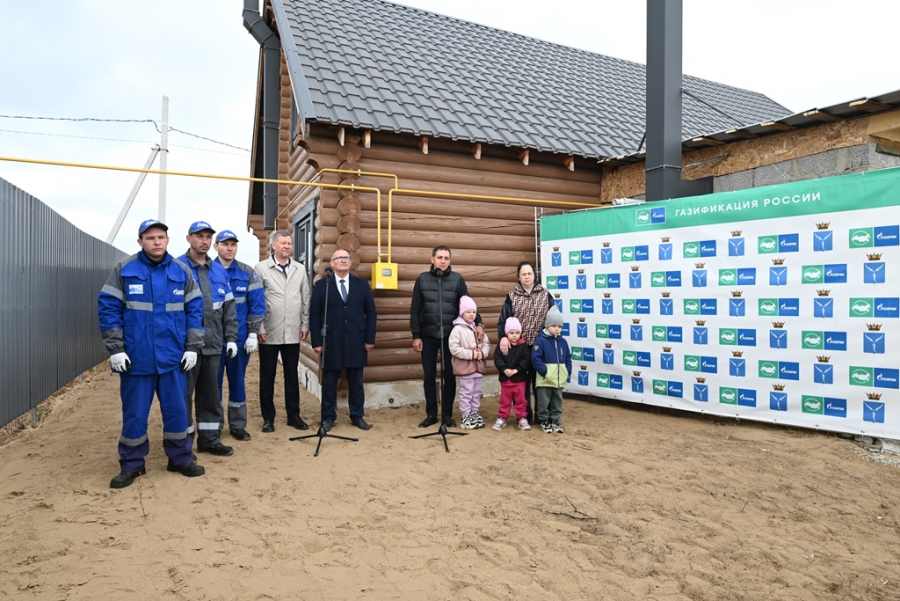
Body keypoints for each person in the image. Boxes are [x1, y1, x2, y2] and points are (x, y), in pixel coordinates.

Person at [98, 219, 206, 488]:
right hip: (137, 359)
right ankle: (132, 465)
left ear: (168, 240)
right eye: (150, 238)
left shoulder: (182, 271)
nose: (156, 242)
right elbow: (108, 309)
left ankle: (180, 459)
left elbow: (195, 311)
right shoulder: (124, 270)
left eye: (161, 237)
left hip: (173, 359)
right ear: (140, 242)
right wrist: (116, 349)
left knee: (177, 412)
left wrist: (192, 347)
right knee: (134, 413)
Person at [179, 221, 239, 457]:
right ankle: (182, 446)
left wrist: (232, 338)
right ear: (189, 239)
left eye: (207, 237)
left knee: (211, 395)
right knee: (183, 397)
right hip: (186, 348)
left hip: (213, 344)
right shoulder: (177, 267)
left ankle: (210, 440)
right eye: (199, 236)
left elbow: (228, 308)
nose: (204, 241)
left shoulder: (219, 271)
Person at [410, 246, 484, 428]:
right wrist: (416, 335)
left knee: (449, 376)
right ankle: (431, 414)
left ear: (450, 261)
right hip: (428, 335)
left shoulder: (457, 280)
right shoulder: (422, 279)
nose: (443, 261)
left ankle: (447, 415)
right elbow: (415, 309)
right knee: (429, 376)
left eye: (446, 258)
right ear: (432, 259)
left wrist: (479, 323)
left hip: (451, 337)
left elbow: (468, 304)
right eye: (439, 257)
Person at [309, 249, 377, 431]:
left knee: (356, 382)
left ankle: (357, 415)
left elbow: (371, 313)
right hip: (331, 340)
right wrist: (316, 341)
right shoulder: (322, 285)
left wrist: (369, 338)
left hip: (357, 339)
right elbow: (314, 315)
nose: (343, 260)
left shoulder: (361, 285)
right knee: (329, 383)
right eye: (339, 258)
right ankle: (328, 417)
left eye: (346, 257)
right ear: (332, 263)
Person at [254, 230, 311, 433]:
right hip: (268, 331)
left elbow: (306, 298)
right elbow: (256, 300)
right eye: (283, 243)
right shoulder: (261, 269)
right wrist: (259, 327)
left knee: (291, 376)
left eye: (289, 243)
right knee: (267, 377)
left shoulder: (299, 269)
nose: (287, 246)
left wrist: (304, 325)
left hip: (293, 331)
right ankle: (268, 418)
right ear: (273, 245)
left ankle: (293, 416)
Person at [213, 230, 266, 441]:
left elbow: (258, 305)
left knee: (238, 381)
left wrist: (253, 333)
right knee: (212, 384)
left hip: (241, 339)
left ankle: (237, 425)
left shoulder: (247, 272)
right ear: (216, 246)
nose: (229, 248)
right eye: (225, 244)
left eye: (233, 244)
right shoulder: (207, 271)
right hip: (214, 340)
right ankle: (213, 426)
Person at [497, 261, 554, 423]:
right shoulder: (512, 296)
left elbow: (552, 319)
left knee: (541, 383)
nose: (527, 277)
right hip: (519, 348)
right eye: (523, 274)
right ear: (518, 276)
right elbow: (503, 321)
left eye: (529, 273)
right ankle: (525, 416)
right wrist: (502, 336)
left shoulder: (545, 294)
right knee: (521, 384)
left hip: (540, 346)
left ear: (535, 275)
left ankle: (542, 416)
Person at [448, 296, 490, 429]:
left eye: (474, 312)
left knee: (476, 392)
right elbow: (454, 348)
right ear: (462, 313)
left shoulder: (478, 329)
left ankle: (474, 413)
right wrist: (472, 354)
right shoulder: (457, 329)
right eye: (468, 312)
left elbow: (486, 343)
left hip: (478, 368)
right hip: (465, 368)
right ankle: (466, 414)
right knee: (466, 392)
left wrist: (483, 353)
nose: (471, 315)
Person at [531, 306, 571, 434]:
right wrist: (545, 372)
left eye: (559, 326)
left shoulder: (563, 342)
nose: (557, 328)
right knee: (544, 401)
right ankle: (544, 420)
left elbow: (568, 358)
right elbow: (535, 358)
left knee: (557, 400)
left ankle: (555, 420)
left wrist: (567, 371)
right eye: (554, 325)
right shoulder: (540, 341)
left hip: (559, 380)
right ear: (547, 326)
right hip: (545, 379)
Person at [492, 317, 531, 431]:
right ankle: (502, 418)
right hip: (506, 380)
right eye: (511, 332)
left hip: (520, 380)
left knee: (521, 401)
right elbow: (497, 358)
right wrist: (504, 369)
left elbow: (526, 359)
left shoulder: (523, 346)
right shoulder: (502, 345)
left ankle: (522, 418)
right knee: (504, 401)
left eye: (517, 332)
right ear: (506, 333)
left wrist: (517, 370)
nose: (514, 335)